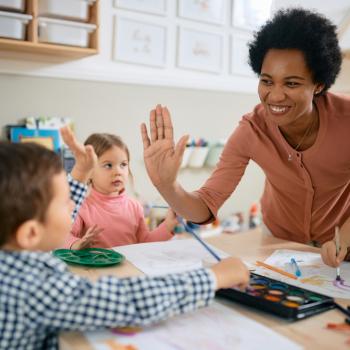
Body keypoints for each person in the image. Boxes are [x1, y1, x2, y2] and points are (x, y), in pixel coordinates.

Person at [0, 127, 249, 350]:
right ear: (31, 233)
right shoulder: (31, 288)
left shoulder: (16, 257)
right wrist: (213, 277)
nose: (73, 204)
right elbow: (125, 299)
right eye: (66, 201)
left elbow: (144, 240)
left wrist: (78, 174)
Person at [140, 8, 350, 268]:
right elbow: (206, 206)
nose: (275, 96)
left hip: (343, 244)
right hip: (279, 244)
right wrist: (167, 186)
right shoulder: (252, 130)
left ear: (318, 85)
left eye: (292, 84)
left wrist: (345, 239)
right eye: (267, 81)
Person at [64, 133, 178, 249]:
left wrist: (168, 226)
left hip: (129, 267)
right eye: (108, 165)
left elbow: (145, 242)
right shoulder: (81, 206)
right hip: (95, 268)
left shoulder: (135, 206)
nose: (118, 171)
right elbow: (64, 235)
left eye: (123, 164)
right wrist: (76, 244)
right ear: (90, 171)